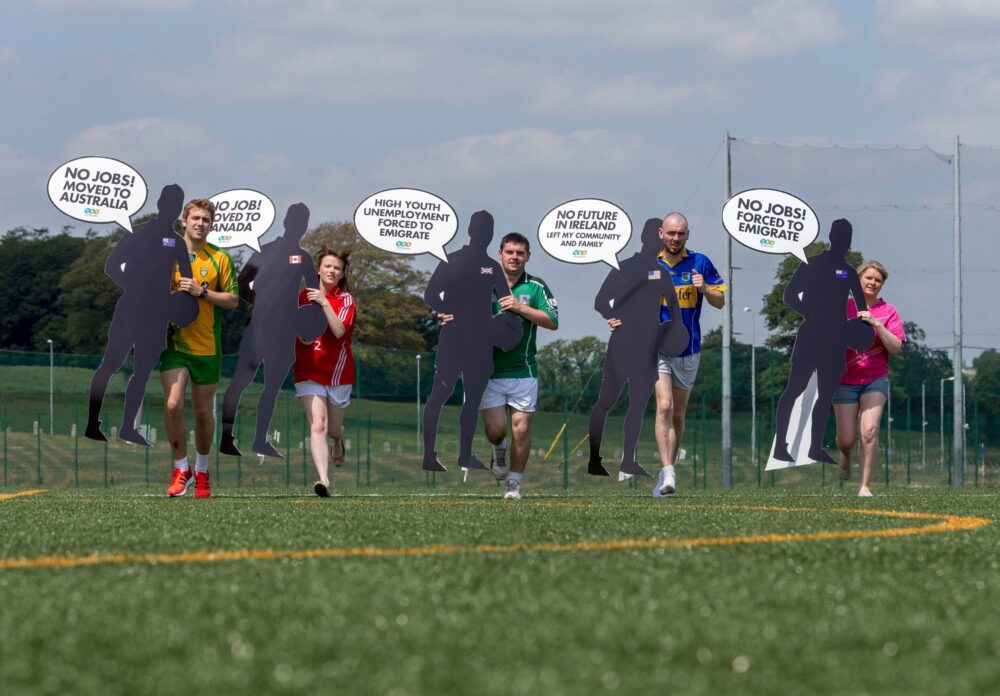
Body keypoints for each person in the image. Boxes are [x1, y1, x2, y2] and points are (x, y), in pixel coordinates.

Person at [85, 184, 197, 445]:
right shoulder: (138, 231)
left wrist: (181, 305)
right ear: (159, 204)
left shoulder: (178, 243)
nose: (172, 208)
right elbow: (111, 265)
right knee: (110, 365)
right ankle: (92, 423)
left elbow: (186, 280)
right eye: (168, 202)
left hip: (157, 315)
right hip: (130, 308)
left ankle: (128, 428)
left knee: (142, 373)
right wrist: (133, 285)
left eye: (177, 204)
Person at [218, 203, 325, 459]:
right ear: (286, 222)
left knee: (272, 387)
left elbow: (315, 293)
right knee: (240, 381)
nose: (298, 226)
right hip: (257, 326)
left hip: (285, 330)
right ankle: (225, 438)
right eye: (295, 221)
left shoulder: (304, 258)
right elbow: (241, 283)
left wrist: (308, 324)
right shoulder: (265, 250)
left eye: (303, 222)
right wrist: (261, 302)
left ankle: (260, 441)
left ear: (305, 227)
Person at [422, 211, 522, 473]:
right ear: (470, 231)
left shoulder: (491, 266)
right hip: (453, 338)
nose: (484, 233)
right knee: (440, 394)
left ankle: (465, 455)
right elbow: (430, 294)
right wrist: (445, 310)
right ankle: (428, 455)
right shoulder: (451, 260)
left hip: (481, 341)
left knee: (473, 399)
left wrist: (508, 325)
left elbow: (506, 301)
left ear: (491, 234)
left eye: (488, 229)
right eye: (480, 228)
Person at [588, 218, 688, 478]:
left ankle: (628, 461)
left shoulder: (661, 273)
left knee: (638, 406)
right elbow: (600, 301)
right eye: (654, 237)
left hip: (648, 348)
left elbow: (675, 310)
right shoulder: (623, 267)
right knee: (606, 401)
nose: (657, 242)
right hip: (621, 345)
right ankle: (594, 459)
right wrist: (611, 316)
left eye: (659, 238)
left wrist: (673, 332)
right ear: (645, 238)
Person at [772, 219, 869, 467]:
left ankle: (815, 447)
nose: (844, 241)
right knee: (794, 389)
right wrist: (810, 312)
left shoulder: (848, 272)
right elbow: (789, 294)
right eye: (840, 235)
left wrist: (859, 329)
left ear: (849, 241)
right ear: (832, 236)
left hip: (835, 339)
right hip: (811, 335)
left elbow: (862, 308)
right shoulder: (811, 263)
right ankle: (781, 445)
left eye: (847, 237)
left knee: (825, 396)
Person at [160, 198, 239, 498]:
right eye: (195, 218)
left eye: (206, 219)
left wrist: (201, 292)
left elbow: (232, 300)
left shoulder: (220, 258)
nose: (200, 223)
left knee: (204, 413)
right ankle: (181, 470)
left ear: (211, 224)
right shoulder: (167, 253)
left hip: (207, 346)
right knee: (172, 405)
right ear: (184, 221)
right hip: (174, 344)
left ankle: (202, 471)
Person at [479, 232, 558, 500]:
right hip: (487, 372)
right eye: (510, 252)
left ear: (528, 256)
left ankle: (514, 483)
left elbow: (552, 321)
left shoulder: (536, 286)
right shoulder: (483, 281)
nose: (514, 257)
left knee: (521, 430)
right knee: (496, 430)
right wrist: (448, 315)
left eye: (520, 253)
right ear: (500, 254)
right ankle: (498, 447)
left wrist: (519, 307)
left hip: (523, 370)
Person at [651, 212, 726, 497]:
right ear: (661, 233)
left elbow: (720, 302)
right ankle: (669, 470)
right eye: (671, 233)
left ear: (687, 235)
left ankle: (667, 472)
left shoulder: (700, 262)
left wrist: (704, 288)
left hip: (688, 349)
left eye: (680, 234)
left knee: (678, 414)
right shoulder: (648, 263)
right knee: (664, 406)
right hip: (656, 348)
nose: (675, 238)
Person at [833, 260, 905, 497]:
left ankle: (864, 486)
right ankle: (845, 453)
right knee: (847, 439)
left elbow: (895, 347)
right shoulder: (842, 307)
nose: (873, 282)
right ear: (859, 280)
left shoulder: (888, 311)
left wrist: (877, 324)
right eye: (869, 278)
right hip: (844, 380)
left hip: (875, 379)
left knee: (870, 431)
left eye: (878, 280)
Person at [292, 247, 356, 497]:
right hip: (308, 370)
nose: (332, 270)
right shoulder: (300, 297)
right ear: (318, 270)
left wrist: (324, 302)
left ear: (342, 274)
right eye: (327, 266)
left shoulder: (347, 300)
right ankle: (324, 480)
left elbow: (339, 331)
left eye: (337, 268)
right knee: (318, 425)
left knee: (332, 430)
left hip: (338, 373)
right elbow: (288, 325)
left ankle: (338, 442)